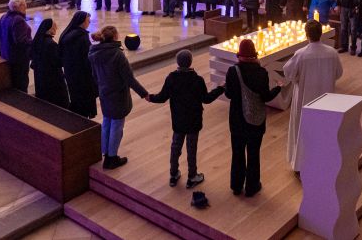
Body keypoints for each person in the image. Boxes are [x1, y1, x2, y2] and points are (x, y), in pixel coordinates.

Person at [147, 50, 225, 188]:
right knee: (191, 148)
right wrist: (220, 88)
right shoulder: (197, 80)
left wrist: (150, 97)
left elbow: (162, 97)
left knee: (175, 146)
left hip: (178, 119)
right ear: (190, 62)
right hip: (193, 120)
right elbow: (206, 99)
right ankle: (192, 176)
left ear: (177, 62)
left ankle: (173, 174)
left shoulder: (171, 78)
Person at [224, 39, 282, 197]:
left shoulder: (232, 71)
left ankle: (236, 186)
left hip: (237, 120)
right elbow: (266, 97)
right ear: (254, 54)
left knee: (237, 153)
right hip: (256, 121)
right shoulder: (261, 72)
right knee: (253, 153)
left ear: (239, 54)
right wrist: (278, 88)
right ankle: (252, 186)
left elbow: (229, 94)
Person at [283, 20, 343, 171]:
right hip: (326, 98)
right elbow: (338, 73)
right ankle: (323, 161)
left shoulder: (301, 54)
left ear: (306, 35)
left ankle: (302, 164)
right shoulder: (332, 53)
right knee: (323, 129)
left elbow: (288, 72)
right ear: (321, 34)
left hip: (305, 98)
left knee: (304, 130)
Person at [89, 25, 149, 169]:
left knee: (107, 122)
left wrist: (102, 87)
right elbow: (129, 78)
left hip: (104, 93)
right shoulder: (117, 55)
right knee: (117, 126)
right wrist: (144, 93)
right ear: (115, 37)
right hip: (118, 95)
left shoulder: (94, 53)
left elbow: (94, 76)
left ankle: (105, 152)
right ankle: (112, 158)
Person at [60, 11, 98, 118]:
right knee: (84, 99)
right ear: (82, 21)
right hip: (82, 75)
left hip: (70, 72)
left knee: (75, 97)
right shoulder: (81, 37)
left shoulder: (67, 34)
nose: (89, 22)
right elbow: (87, 57)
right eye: (88, 20)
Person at [30, 18, 70, 109]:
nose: (56, 28)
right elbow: (58, 62)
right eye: (54, 26)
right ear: (49, 29)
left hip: (41, 76)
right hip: (52, 77)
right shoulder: (51, 44)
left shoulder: (38, 41)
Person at [0, 0, 32, 92]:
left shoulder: (3, 17)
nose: (26, 6)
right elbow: (21, 41)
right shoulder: (18, 20)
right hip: (18, 58)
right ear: (19, 6)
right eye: (24, 4)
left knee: (14, 82)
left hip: (6, 54)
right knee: (21, 83)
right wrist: (34, 41)